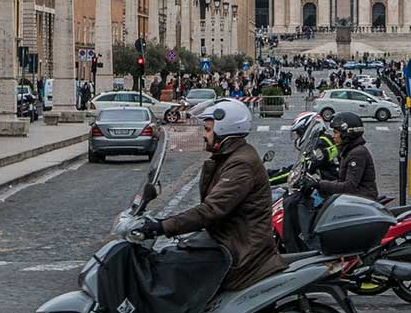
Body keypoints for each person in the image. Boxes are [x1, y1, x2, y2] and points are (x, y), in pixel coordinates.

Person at [140, 98, 287, 291]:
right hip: (230, 240)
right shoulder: (231, 157)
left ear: (224, 131)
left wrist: (162, 226)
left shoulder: (240, 163)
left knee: (173, 271)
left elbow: (212, 209)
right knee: (175, 257)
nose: (204, 135)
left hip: (241, 252)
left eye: (208, 130)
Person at [311, 112, 379, 201]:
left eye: (336, 133)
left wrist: (319, 184)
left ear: (346, 134)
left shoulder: (357, 153)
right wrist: (319, 183)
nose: (333, 136)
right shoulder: (348, 151)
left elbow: (349, 186)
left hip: (363, 199)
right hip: (355, 197)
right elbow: (341, 181)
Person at [268, 111, 339, 186]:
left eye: (299, 133)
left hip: (332, 191)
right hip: (329, 186)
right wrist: (271, 172)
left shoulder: (321, 143)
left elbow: (299, 171)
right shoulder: (321, 140)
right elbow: (298, 167)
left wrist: (268, 181)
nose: (298, 137)